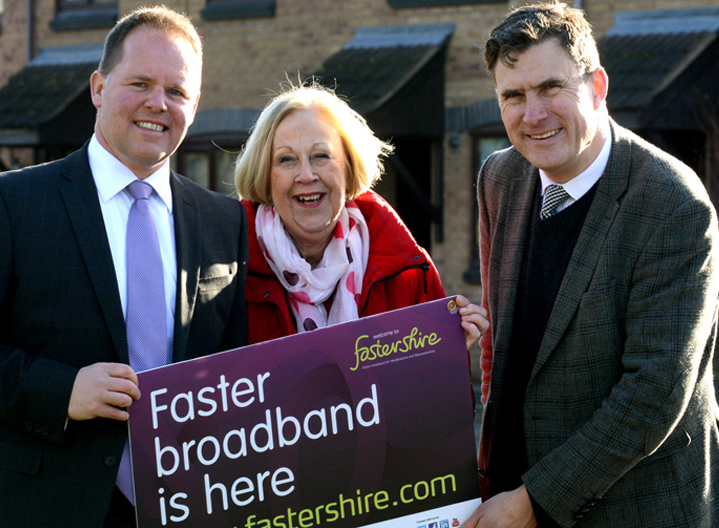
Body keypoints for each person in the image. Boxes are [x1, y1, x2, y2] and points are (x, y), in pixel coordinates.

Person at [0, 6, 247, 528]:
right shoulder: (13, 201)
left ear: (195, 105)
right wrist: (59, 390)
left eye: (177, 92)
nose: (158, 103)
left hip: (178, 507)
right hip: (32, 508)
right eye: (140, 83)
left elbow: (239, 364)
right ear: (98, 87)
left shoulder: (223, 221)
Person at [467, 2, 719, 527]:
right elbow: (505, 345)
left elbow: (653, 393)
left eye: (551, 88)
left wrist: (533, 502)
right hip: (508, 494)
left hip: (633, 507)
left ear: (597, 86)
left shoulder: (672, 203)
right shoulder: (499, 176)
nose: (532, 115)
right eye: (512, 96)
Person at [234, 81, 488, 352]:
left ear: (348, 167)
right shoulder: (224, 275)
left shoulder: (409, 272)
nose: (306, 175)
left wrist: (447, 354)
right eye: (286, 159)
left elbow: (432, 391)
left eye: (321, 155)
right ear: (264, 175)